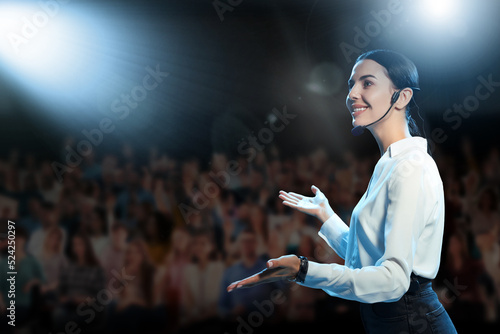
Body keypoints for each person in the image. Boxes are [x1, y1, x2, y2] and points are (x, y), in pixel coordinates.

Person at [227, 50, 457, 333]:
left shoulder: (410, 166)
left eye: (367, 83)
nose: (352, 94)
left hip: (411, 321)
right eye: (351, 84)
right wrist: (327, 216)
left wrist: (304, 270)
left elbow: (394, 281)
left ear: (403, 97)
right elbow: (367, 258)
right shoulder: (391, 163)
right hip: (395, 319)